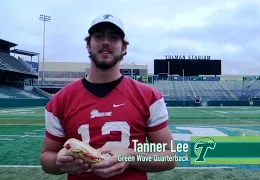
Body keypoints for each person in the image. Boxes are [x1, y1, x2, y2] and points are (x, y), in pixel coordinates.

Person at [39, 14, 176, 180]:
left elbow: (170, 156)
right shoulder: (61, 99)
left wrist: (130, 157)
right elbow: (46, 158)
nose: (106, 42)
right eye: (98, 36)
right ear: (88, 45)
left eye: (113, 37)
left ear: (124, 47)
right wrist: (58, 162)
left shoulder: (148, 97)